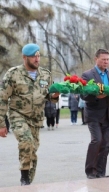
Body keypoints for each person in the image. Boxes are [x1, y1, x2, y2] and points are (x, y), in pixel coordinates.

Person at [0, 43, 59, 186]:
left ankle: (28, 181)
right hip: (18, 115)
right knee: (26, 143)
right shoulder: (13, 74)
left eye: (38, 56)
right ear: (24, 57)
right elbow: (2, 98)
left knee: (32, 149)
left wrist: (56, 95)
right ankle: (24, 179)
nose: (37, 59)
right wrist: (1, 123)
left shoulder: (45, 74)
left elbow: (49, 97)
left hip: (36, 119)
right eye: (33, 57)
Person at [81, 48, 109, 179]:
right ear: (96, 59)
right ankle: (90, 171)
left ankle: (100, 172)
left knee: (105, 145)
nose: (106, 62)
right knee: (96, 140)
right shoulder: (87, 75)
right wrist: (98, 96)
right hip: (93, 114)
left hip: (108, 114)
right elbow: (84, 95)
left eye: (108, 60)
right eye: (103, 59)